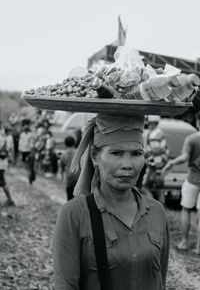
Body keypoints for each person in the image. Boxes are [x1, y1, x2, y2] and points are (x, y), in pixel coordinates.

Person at [53, 114, 170, 290]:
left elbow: (160, 281)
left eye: (136, 153)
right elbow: (66, 285)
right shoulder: (74, 213)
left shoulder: (156, 211)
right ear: (94, 156)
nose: (127, 164)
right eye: (116, 153)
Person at [162, 111, 200, 255]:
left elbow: (184, 157)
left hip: (192, 180)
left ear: (197, 122)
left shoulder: (192, 139)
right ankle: (198, 248)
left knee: (186, 210)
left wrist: (170, 163)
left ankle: (184, 242)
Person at [142, 115, 169, 202]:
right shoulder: (157, 132)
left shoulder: (155, 134)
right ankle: (159, 206)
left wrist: (157, 167)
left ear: (152, 123)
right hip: (158, 165)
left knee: (145, 186)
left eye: (148, 121)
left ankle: (152, 205)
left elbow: (157, 150)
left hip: (155, 165)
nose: (146, 123)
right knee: (159, 189)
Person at [59, 135, 79, 200]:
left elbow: (61, 167)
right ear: (74, 143)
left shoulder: (63, 155)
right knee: (79, 196)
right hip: (79, 176)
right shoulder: (78, 152)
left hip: (69, 178)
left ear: (65, 144)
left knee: (70, 197)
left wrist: (62, 177)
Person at [0, 124, 15, 206]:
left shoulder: (2, 137)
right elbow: (10, 150)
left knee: (2, 182)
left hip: (0, 163)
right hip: (3, 162)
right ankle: (9, 199)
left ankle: (10, 199)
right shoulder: (7, 137)